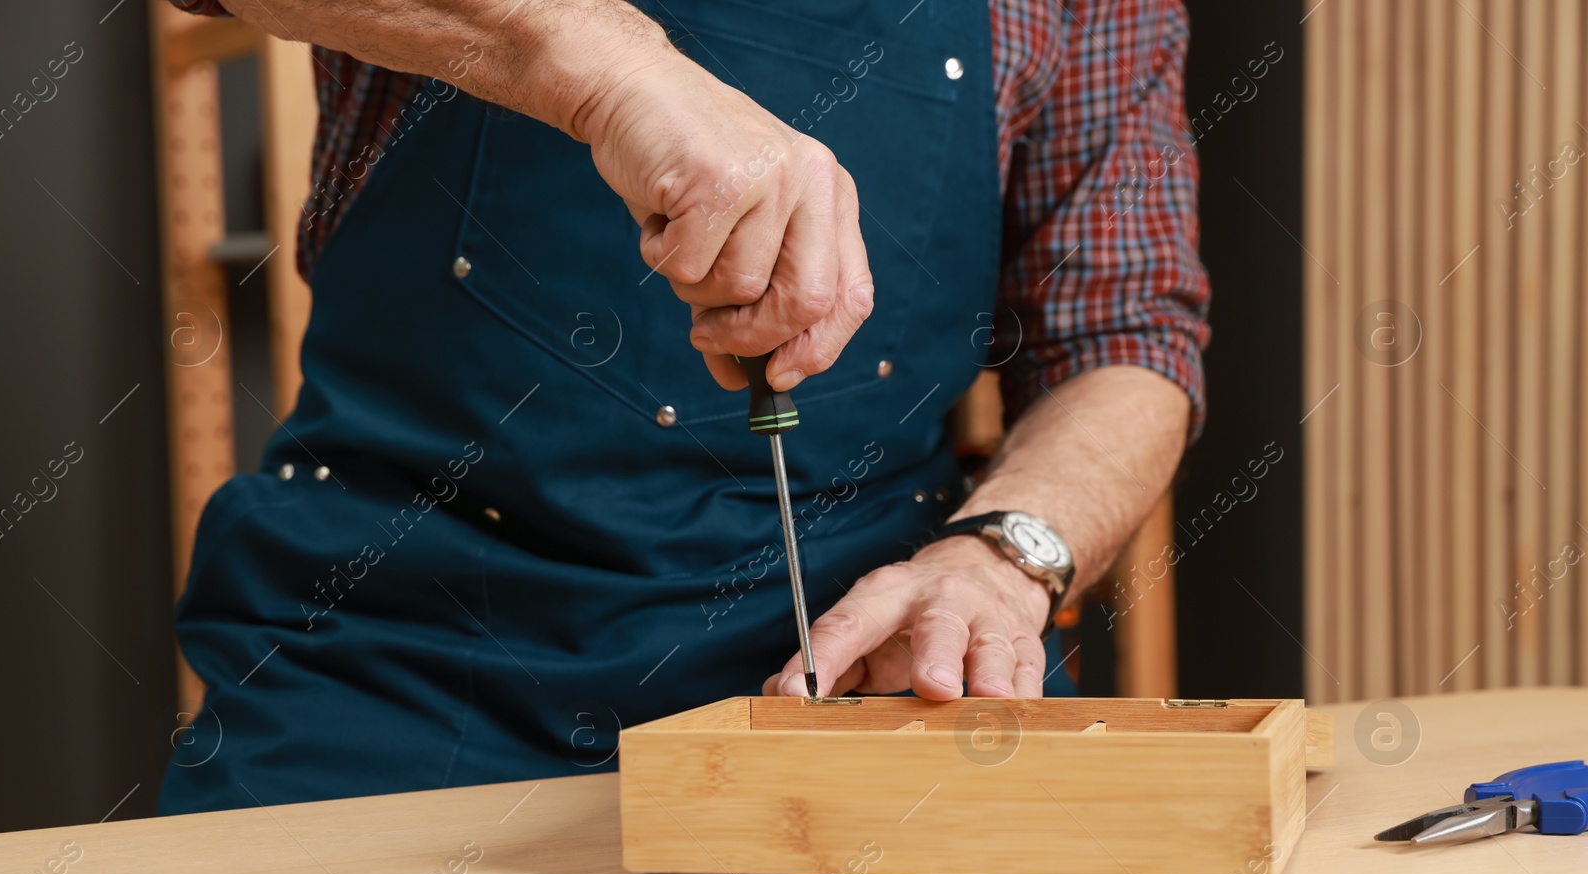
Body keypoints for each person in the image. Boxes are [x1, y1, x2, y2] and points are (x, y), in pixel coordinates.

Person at [157, 0, 1209, 813]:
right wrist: (612, 75)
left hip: (867, 680)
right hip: (395, 660)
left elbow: (1122, 338)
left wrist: (999, 557)